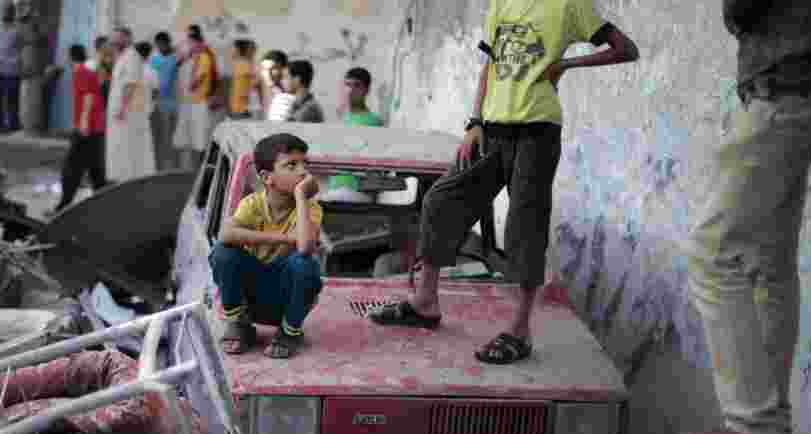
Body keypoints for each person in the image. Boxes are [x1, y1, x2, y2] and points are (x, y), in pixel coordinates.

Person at [369, 0, 638, 367]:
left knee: (523, 228)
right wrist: (474, 122)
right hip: (492, 130)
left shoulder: (570, 6)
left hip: (537, 132)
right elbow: (490, 68)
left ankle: (520, 330)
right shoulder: (501, 4)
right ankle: (425, 302)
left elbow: (625, 50)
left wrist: (566, 64)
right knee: (440, 202)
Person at [676, 3, 811, 434]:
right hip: (800, 87)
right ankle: (766, 423)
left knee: (712, 253)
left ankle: (754, 425)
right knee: (769, 261)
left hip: (785, 88)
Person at [210, 133, 323, 360]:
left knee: (305, 263)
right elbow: (225, 235)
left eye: (304, 164)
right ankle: (239, 324)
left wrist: (301, 197)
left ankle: (289, 333)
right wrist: (283, 239)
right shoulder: (253, 204)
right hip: (250, 299)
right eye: (292, 165)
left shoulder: (310, 208)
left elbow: (304, 248)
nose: (303, 172)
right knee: (223, 253)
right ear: (267, 177)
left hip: (286, 301)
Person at [52, 44, 108, 214]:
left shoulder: (81, 71)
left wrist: (83, 122)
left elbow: (89, 96)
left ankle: (64, 205)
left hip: (88, 127)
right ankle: (103, 204)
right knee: (95, 169)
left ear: (70, 57)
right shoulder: (87, 70)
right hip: (95, 127)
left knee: (72, 166)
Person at [106, 27, 155, 182]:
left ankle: (129, 179)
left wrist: (122, 108)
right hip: (122, 112)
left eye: (117, 38)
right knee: (120, 148)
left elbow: (130, 85)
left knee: (127, 148)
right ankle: (122, 178)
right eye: (113, 38)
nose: (113, 41)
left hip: (128, 113)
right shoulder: (123, 57)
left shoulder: (131, 57)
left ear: (127, 39)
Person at [327, 67, 383, 198]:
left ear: (366, 90)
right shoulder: (342, 119)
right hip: (335, 187)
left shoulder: (372, 122)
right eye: (347, 85)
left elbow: (375, 166)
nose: (350, 90)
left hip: (356, 191)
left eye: (357, 86)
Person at [173, 25, 218, 170]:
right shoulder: (192, 58)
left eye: (189, 43)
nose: (187, 46)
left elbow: (195, 82)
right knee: (190, 139)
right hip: (190, 103)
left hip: (199, 103)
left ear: (196, 42)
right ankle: (191, 168)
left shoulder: (204, 57)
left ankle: (201, 169)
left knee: (200, 138)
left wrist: (188, 82)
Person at [0, 3, 21, 132]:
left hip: (11, 70)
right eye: (3, 11)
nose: (4, 14)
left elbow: (21, 49)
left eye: (7, 11)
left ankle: (12, 125)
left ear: (13, 13)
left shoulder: (17, 30)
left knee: (11, 99)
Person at [149, 32, 180, 170]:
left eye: (162, 44)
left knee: (170, 140)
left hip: (171, 106)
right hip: (156, 105)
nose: (160, 47)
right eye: (158, 45)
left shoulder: (175, 60)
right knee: (158, 139)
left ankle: (170, 168)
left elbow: (170, 83)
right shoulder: (153, 60)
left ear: (167, 43)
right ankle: (160, 167)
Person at [229, 39, 257, 119]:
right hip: (239, 109)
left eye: (233, 49)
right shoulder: (243, 65)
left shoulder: (243, 65)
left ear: (238, 49)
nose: (231, 51)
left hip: (240, 110)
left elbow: (252, 87)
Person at [261, 50, 293, 121]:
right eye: (264, 69)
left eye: (273, 68)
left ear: (284, 70)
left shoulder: (288, 94)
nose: (267, 73)